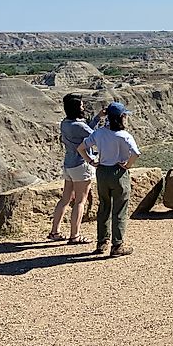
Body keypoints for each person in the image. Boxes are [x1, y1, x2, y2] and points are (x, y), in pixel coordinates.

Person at [77, 101, 140, 257]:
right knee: (119, 209)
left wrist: (91, 161)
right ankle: (117, 245)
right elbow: (136, 153)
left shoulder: (99, 133)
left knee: (104, 206)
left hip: (102, 172)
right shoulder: (124, 135)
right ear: (121, 117)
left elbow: (81, 148)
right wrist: (127, 166)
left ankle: (102, 242)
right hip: (119, 173)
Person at [48, 93, 104, 244]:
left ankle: (55, 232)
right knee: (80, 201)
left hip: (69, 164)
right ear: (75, 108)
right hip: (81, 165)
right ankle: (75, 235)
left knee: (65, 199)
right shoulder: (78, 125)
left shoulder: (65, 123)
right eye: (81, 105)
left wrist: (98, 117)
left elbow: (86, 131)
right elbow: (96, 136)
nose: (83, 107)